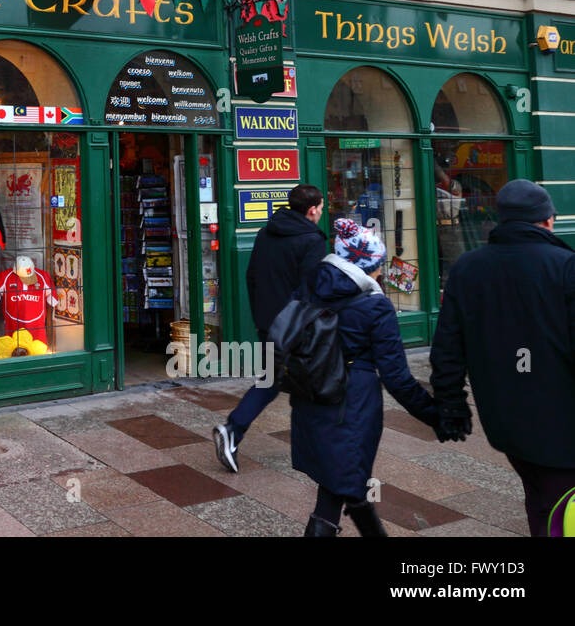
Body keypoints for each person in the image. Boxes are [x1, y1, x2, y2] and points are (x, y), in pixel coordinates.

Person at [431, 179, 575, 537]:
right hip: (562, 424)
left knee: (541, 498)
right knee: (561, 508)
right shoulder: (565, 267)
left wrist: (452, 406)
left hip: (505, 420)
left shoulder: (467, 268)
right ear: (546, 221)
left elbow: (447, 349)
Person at [293, 219, 439, 536]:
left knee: (343, 481)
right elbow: (397, 378)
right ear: (369, 264)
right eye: (379, 264)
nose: (382, 271)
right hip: (352, 406)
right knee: (340, 484)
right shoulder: (376, 306)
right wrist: (434, 414)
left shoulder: (310, 284)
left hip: (313, 397)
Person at [213, 184, 327, 473]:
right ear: (312, 210)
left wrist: (262, 317)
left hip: (268, 322)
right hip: (296, 326)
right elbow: (310, 290)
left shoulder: (266, 232)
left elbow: (251, 277)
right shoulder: (312, 240)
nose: (322, 212)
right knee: (311, 383)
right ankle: (235, 429)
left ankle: (234, 431)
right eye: (322, 207)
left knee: (273, 380)